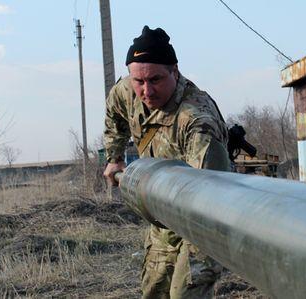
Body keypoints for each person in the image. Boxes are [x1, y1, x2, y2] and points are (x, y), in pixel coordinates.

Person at [103, 25, 231, 299]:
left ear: (174, 71)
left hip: (203, 224)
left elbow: (213, 200)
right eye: (139, 81)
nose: (146, 91)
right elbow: (114, 113)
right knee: (154, 292)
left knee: (183, 294)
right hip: (164, 216)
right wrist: (114, 157)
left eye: (156, 80)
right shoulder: (127, 90)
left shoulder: (197, 120)